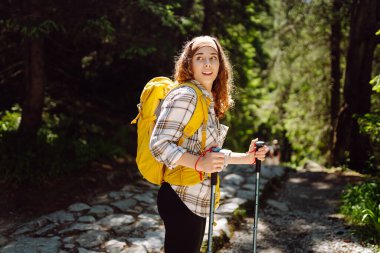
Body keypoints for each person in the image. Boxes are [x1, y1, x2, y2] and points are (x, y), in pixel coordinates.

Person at [149, 35, 268, 253]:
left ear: (220, 65)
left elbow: (210, 154)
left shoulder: (205, 98)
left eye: (213, 58)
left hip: (194, 199)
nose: (207, 64)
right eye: (200, 58)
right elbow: (158, 144)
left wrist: (247, 157)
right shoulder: (187, 95)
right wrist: (198, 164)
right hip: (180, 197)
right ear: (189, 64)